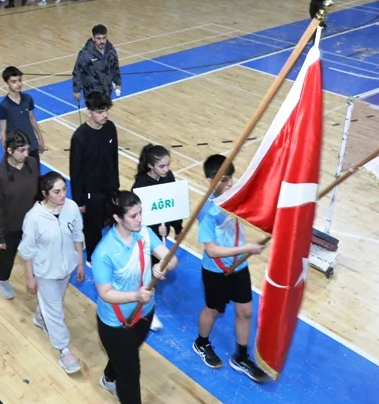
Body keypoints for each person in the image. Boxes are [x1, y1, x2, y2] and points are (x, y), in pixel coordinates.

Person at [93, 190, 179, 402]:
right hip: (116, 322)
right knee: (130, 374)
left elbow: (172, 259)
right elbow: (105, 293)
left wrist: (162, 265)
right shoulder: (104, 252)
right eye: (133, 215)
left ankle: (108, 378)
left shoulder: (145, 233)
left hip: (145, 311)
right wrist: (136, 295)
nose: (140, 219)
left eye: (141, 212)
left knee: (126, 355)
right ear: (117, 217)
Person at [192, 154, 269, 383]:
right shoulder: (207, 211)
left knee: (245, 311)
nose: (230, 183)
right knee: (213, 310)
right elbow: (212, 250)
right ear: (210, 182)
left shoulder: (235, 199)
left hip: (239, 266)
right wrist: (246, 248)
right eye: (224, 180)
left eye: (231, 178)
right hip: (216, 270)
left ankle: (241, 357)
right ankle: (201, 343)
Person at [19, 171, 85, 374]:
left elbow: (77, 235)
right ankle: (64, 350)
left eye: (64, 189)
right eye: (57, 192)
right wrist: (30, 277)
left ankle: (40, 316)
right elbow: (27, 251)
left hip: (66, 268)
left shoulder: (71, 207)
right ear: (45, 193)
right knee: (56, 311)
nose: (63, 194)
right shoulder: (33, 218)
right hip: (45, 272)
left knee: (53, 303)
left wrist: (79, 263)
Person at [131, 143, 182, 332]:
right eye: (162, 166)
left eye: (168, 165)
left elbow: (172, 204)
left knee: (158, 269)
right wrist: (151, 226)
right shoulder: (140, 185)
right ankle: (145, 311)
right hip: (144, 235)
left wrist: (176, 227)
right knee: (147, 273)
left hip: (161, 233)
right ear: (150, 166)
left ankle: (145, 302)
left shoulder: (168, 177)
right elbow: (135, 216)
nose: (166, 169)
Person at [70, 92, 119, 263]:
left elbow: (114, 159)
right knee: (93, 229)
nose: (104, 115)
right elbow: (75, 171)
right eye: (100, 112)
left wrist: (116, 186)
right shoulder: (80, 137)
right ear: (88, 112)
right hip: (91, 193)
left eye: (106, 110)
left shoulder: (110, 128)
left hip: (110, 189)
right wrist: (79, 200)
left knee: (113, 223)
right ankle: (93, 258)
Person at [0, 130, 40, 299]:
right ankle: (2, 280)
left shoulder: (32, 163)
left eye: (27, 149)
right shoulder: (0, 175)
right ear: (10, 150)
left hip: (32, 222)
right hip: (11, 225)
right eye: (22, 150)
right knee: (8, 255)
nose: (26, 154)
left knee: (37, 252)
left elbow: (38, 189)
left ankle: (37, 278)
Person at [0, 66, 45, 163]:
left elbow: (32, 118)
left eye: (19, 80)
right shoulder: (3, 106)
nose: (18, 84)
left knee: (35, 171)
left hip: (32, 145)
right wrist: (6, 152)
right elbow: (3, 132)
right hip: (16, 150)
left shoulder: (28, 99)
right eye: (13, 81)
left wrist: (40, 138)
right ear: (7, 83)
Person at [72, 24, 122, 101]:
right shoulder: (85, 53)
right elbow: (77, 72)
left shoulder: (111, 51)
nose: (102, 41)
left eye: (104, 38)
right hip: (92, 93)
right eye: (98, 38)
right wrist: (77, 90)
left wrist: (118, 83)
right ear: (93, 38)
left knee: (105, 109)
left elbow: (115, 68)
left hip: (107, 91)